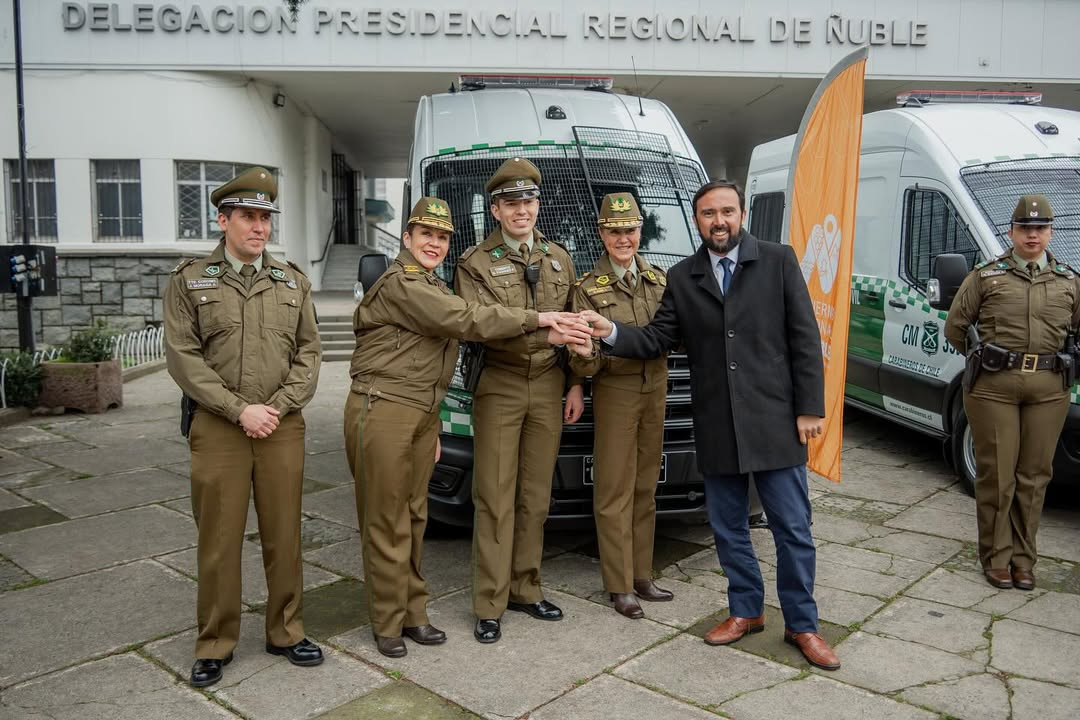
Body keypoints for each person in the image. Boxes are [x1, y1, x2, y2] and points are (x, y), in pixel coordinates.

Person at [577, 179, 841, 670]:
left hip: (775, 423)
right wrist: (610, 330)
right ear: (696, 220)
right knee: (728, 529)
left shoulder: (779, 261)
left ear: (740, 214)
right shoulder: (683, 276)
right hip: (718, 424)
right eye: (707, 214)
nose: (718, 221)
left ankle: (803, 625)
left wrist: (810, 407)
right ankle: (746, 611)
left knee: (792, 530)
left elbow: (805, 338)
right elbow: (657, 338)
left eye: (726, 211)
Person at [343, 197, 590, 658]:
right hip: (382, 408)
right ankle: (388, 621)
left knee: (415, 517)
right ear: (406, 239)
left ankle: (414, 613)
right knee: (385, 519)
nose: (434, 243)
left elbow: (432, 356)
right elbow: (465, 319)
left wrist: (432, 423)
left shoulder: (432, 281)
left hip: (419, 411)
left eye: (441, 237)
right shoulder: (402, 282)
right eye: (426, 235)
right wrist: (540, 322)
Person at [164, 166, 324, 688]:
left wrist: (275, 406)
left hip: (280, 426)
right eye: (248, 217)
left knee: (284, 536)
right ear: (222, 219)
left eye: (265, 218)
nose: (259, 227)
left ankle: (286, 631)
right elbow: (184, 358)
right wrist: (239, 410)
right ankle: (215, 642)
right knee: (219, 539)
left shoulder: (292, 281)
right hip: (219, 429)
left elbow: (309, 353)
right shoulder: (190, 280)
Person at [454, 157, 584, 644]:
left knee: (535, 496)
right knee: (494, 497)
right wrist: (543, 336)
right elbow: (479, 326)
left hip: (550, 387)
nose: (521, 210)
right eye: (511, 203)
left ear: (537, 204)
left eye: (528, 201)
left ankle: (526, 588)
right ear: (495, 210)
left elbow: (571, 323)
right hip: (502, 386)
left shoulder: (558, 257)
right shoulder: (474, 263)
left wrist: (574, 381)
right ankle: (490, 602)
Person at [944, 194, 1078, 591]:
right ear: (1012, 232)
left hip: (1049, 390)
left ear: (1050, 232)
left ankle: (1024, 560)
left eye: (1040, 228)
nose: (1032, 235)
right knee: (998, 476)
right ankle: (996, 558)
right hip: (993, 390)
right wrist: (981, 358)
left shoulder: (1069, 281)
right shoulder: (987, 277)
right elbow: (956, 326)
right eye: (1025, 228)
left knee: (1035, 477)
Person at [569, 192, 673, 619]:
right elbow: (582, 356)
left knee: (646, 487)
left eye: (629, 230)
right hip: (616, 391)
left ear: (640, 230)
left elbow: (673, 334)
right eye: (614, 231)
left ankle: (642, 574)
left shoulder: (660, 281)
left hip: (657, 390)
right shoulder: (587, 289)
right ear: (602, 233)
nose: (623, 238)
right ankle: (619, 583)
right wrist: (583, 361)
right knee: (615, 488)